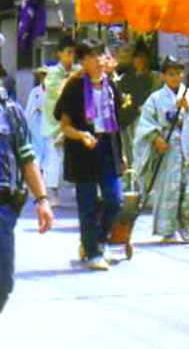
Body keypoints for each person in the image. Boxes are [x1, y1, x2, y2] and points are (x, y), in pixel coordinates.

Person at [55, 39, 126, 271]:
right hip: (82, 149)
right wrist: (82, 135)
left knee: (115, 200)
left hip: (108, 147)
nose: (99, 61)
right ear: (83, 61)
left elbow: (117, 122)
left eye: (101, 55)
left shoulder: (111, 85)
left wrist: (122, 153)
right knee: (87, 203)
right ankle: (93, 253)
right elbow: (65, 126)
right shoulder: (74, 87)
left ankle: (99, 239)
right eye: (92, 56)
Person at [134, 56, 189, 244]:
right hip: (169, 148)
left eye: (178, 73)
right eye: (171, 74)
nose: (176, 77)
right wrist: (156, 138)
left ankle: (187, 226)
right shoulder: (155, 98)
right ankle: (168, 229)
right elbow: (145, 123)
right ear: (163, 76)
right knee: (169, 188)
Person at [0, 81, 54, 315]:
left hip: (2, 210)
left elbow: (27, 158)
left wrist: (42, 200)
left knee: (3, 284)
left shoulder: (10, 110)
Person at [41, 35, 77, 208]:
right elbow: (57, 93)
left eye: (73, 53)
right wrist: (73, 78)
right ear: (59, 54)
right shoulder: (53, 73)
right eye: (68, 52)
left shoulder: (77, 70)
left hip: (74, 121)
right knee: (54, 160)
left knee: (77, 157)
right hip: (56, 123)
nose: (71, 57)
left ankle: (79, 190)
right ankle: (53, 194)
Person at [118, 39, 162, 169]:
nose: (141, 60)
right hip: (128, 123)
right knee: (130, 158)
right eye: (138, 57)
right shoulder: (124, 80)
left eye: (144, 56)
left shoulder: (156, 78)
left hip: (149, 123)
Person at [23, 67, 52, 205]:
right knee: (37, 154)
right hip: (36, 125)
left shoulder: (54, 92)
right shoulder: (35, 92)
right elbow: (29, 109)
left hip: (49, 125)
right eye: (43, 76)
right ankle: (39, 188)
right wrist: (25, 126)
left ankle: (46, 187)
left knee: (49, 156)